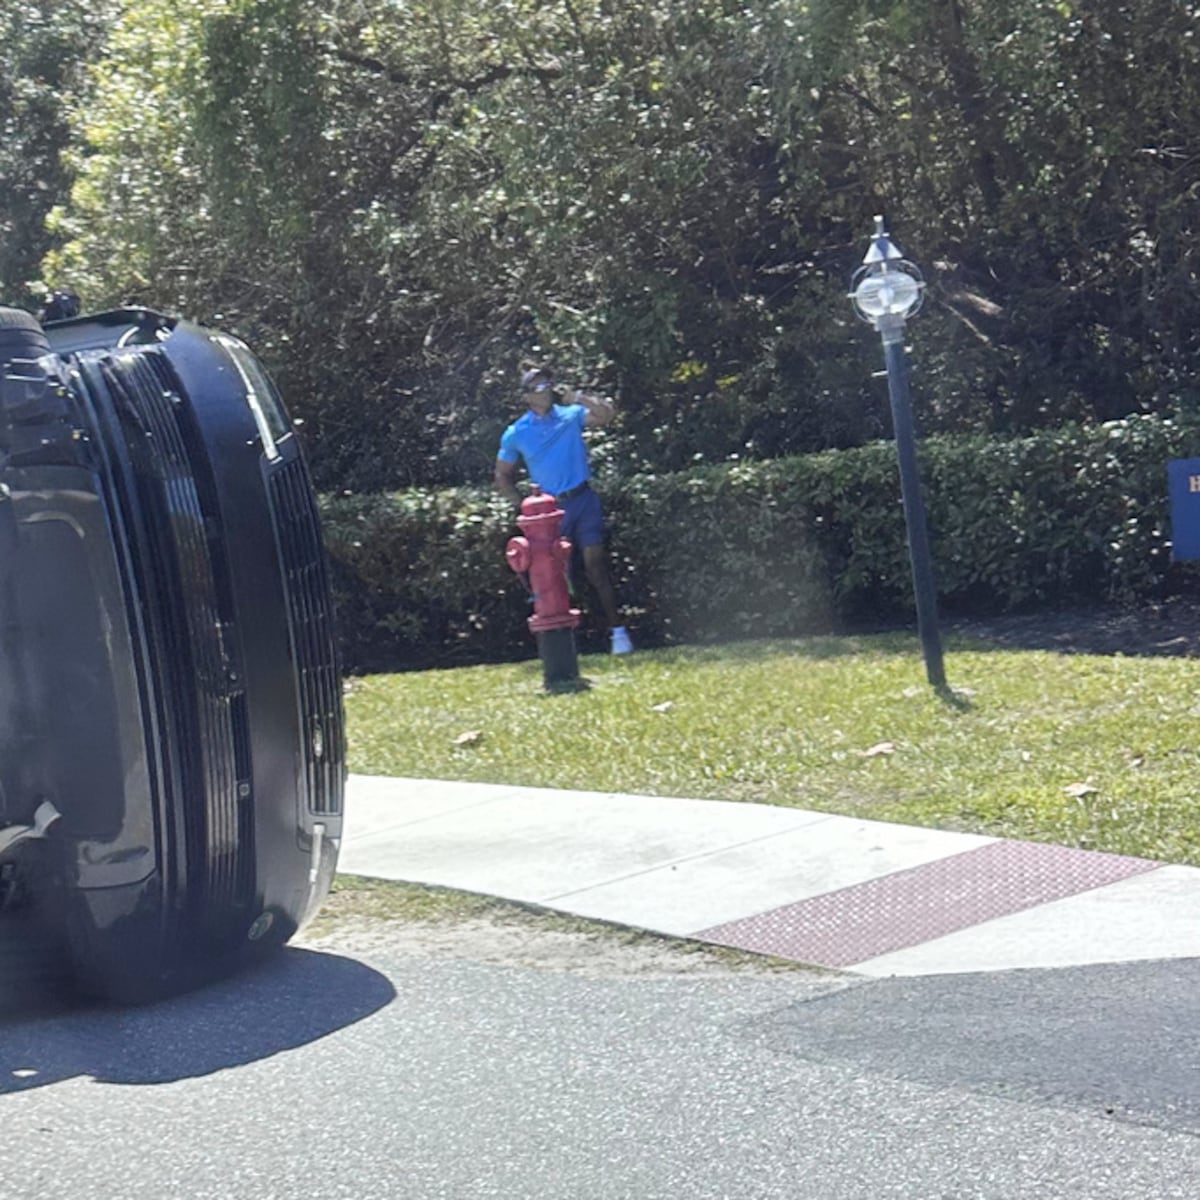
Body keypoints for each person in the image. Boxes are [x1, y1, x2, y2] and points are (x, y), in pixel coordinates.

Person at [494, 366, 634, 654]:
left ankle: (618, 633)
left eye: (546, 384)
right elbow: (502, 475)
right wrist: (524, 507)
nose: (544, 390)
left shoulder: (570, 415)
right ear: (525, 397)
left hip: (583, 499)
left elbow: (607, 415)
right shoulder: (516, 432)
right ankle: (567, 642)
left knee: (595, 565)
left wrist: (578, 396)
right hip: (549, 513)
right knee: (556, 577)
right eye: (536, 386)